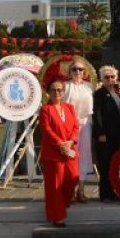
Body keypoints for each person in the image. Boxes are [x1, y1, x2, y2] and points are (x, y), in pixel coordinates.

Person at [39, 79, 79, 227]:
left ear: (63, 92)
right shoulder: (45, 110)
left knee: (73, 178)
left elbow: (76, 126)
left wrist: (71, 142)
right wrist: (61, 144)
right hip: (53, 154)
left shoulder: (69, 107)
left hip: (70, 151)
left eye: (59, 90)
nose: (57, 93)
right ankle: (57, 216)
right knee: (55, 186)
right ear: (48, 92)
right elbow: (47, 130)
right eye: (54, 90)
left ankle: (64, 202)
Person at [63, 59, 94, 203]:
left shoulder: (90, 87)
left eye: (80, 69)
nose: (78, 72)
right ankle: (70, 191)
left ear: (85, 72)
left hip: (86, 125)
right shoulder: (65, 87)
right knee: (70, 157)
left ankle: (81, 190)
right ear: (70, 72)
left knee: (84, 157)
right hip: (70, 127)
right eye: (75, 69)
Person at [92, 65, 120, 202]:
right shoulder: (99, 94)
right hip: (105, 136)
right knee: (105, 165)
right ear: (102, 79)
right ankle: (105, 194)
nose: (110, 79)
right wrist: (101, 133)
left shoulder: (118, 93)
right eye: (106, 77)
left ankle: (112, 192)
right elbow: (97, 115)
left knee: (114, 164)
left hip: (116, 135)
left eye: (112, 77)